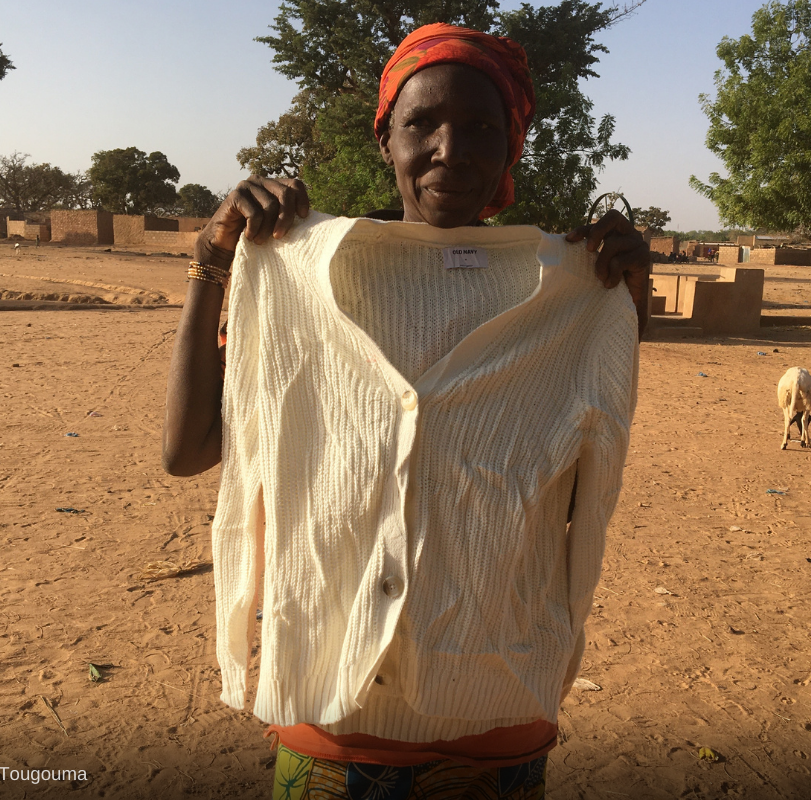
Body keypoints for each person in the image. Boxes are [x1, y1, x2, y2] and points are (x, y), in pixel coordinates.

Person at [164, 23, 648, 800]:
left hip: (493, 715)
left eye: (482, 128)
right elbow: (186, 452)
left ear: (512, 147)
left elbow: (585, 494)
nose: (451, 150)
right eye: (423, 122)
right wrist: (213, 261)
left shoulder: (577, 295)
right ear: (384, 134)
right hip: (330, 714)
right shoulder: (295, 278)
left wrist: (621, 308)